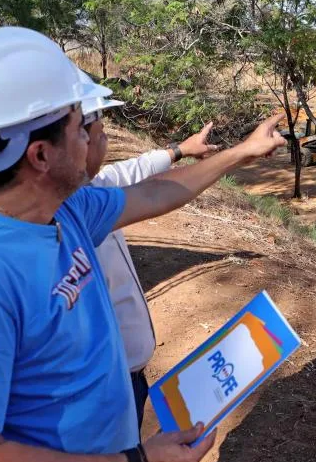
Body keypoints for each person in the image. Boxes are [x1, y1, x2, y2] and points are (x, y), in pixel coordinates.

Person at [0, 26, 285, 462]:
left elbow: (152, 192)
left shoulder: (65, 209)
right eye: (79, 124)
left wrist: (240, 153)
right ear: (41, 154)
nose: (90, 140)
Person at [78, 74, 218, 430]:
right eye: (100, 129)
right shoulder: (76, 215)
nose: (106, 138)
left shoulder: (91, 189)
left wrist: (179, 151)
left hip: (126, 373)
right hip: (107, 384)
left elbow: (132, 171)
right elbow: (155, 193)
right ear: (73, 139)